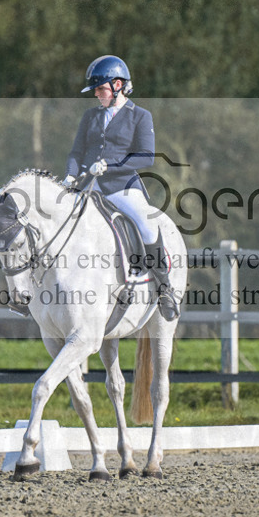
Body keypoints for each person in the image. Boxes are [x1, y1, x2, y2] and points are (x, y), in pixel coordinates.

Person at [63, 55, 179, 320]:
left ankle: (164, 290)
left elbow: (145, 157)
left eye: (101, 89)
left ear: (118, 85)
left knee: (148, 226)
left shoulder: (140, 116)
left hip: (122, 186)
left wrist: (109, 166)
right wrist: (70, 176)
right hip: (89, 187)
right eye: (96, 90)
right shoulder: (90, 116)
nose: (96, 94)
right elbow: (76, 152)